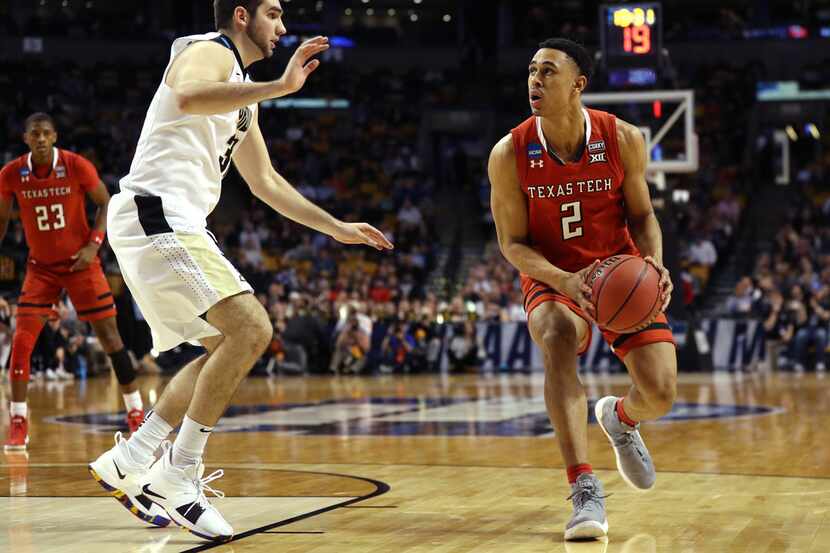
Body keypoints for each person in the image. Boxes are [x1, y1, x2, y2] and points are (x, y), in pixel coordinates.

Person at [87, 0, 392, 542]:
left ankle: (132, 456)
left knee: (221, 348)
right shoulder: (207, 50)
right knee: (252, 328)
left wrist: (335, 226)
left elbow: (266, 183)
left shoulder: (241, 100)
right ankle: (178, 476)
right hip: (156, 210)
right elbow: (186, 94)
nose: (283, 26)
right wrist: (279, 86)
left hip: (172, 219)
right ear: (242, 15)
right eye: (274, 14)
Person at [488, 38, 676, 540]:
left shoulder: (624, 139)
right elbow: (512, 243)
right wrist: (566, 280)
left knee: (660, 393)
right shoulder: (509, 153)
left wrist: (654, 265)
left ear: (578, 85)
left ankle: (620, 417)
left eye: (548, 71)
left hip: (620, 272)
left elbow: (643, 216)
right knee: (555, 334)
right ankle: (584, 486)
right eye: (531, 70)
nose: (535, 80)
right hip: (556, 276)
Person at [0, 113, 144, 452]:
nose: (40, 138)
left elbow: (106, 203)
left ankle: (136, 411)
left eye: (45, 133)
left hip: (81, 264)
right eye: (34, 134)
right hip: (41, 269)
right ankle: (19, 420)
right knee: (21, 344)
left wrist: (93, 245)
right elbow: (2, 223)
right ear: (25, 139)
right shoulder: (10, 174)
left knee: (110, 337)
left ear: (54, 137)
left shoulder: (76, 165)